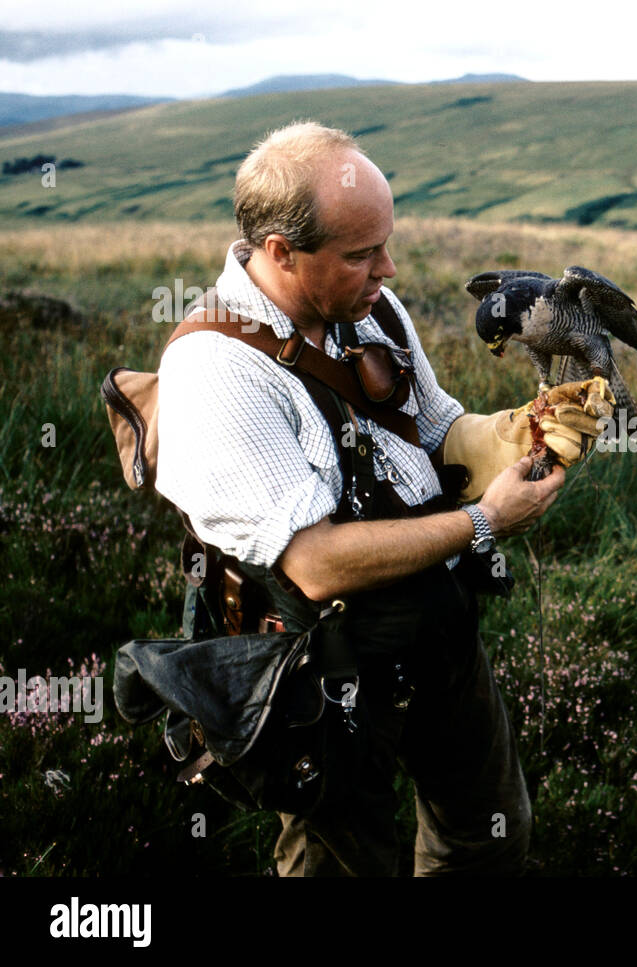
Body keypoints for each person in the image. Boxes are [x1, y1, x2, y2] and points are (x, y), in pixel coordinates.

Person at [154, 121, 604, 876]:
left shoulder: (372, 312)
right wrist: (486, 521)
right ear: (279, 252)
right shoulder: (217, 369)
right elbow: (318, 564)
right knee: (337, 865)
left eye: (386, 245)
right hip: (317, 673)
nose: (387, 269)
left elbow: (438, 431)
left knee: (488, 836)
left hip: (437, 628)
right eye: (362, 254)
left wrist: (521, 429)